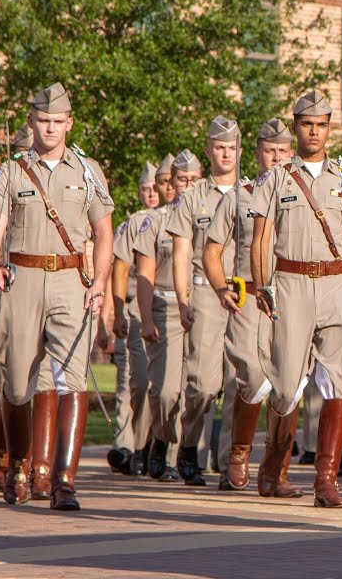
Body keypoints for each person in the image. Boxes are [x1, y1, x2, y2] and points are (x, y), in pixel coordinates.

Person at [0, 82, 115, 510]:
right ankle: (19, 465)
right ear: (31, 122)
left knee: (72, 378)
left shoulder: (88, 171)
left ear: (69, 123)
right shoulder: (11, 171)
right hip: (22, 279)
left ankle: (64, 483)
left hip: (70, 280)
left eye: (58, 121)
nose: (51, 128)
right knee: (17, 383)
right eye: (43, 121)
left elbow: (104, 233)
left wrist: (100, 283)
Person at [250, 90, 342, 508]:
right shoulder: (277, 178)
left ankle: (327, 480)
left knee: (338, 379)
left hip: (338, 285)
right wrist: (262, 284)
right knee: (286, 384)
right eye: (307, 124)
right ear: (296, 126)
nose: (315, 132)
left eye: (322, 124)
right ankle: (272, 466)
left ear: (329, 128)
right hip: (290, 282)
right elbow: (261, 237)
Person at [203, 118, 303, 496]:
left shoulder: (301, 193)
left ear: (290, 153)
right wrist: (219, 287)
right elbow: (212, 249)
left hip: (292, 298)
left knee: (289, 385)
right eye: (268, 151)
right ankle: (240, 450)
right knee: (254, 375)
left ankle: (276, 471)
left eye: (282, 151)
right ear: (257, 154)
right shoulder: (239, 196)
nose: (275, 158)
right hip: (248, 297)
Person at [166, 118, 241, 485]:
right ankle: (189, 446)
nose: (226, 154)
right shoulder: (193, 197)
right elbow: (181, 253)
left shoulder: (253, 194)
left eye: (232, 148)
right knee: (203, 385)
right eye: (219, 147)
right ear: (209, 150)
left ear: (239, 151)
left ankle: (229, 465)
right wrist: (183, 300)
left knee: (239, 382)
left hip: (243, 294)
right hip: (206, 296)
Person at [135, 149, 202, 484]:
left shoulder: (212, 215)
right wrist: (146, 319)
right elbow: (144, 274)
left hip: (203, 306)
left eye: (192, 179)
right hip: (166, 308)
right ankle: (160, 437)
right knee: (165, 392)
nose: (186, 186)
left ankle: (181, 455)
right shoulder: (156, 222)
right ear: (170, 183)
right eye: (181, 180)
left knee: (198, 388)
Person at [106, 161, 160, 476]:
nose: (150, 193)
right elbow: (119, 270)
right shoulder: (130, 225)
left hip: (166, 305)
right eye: (145, 189)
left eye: (155, 188)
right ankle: (126, 445)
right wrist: (112, 314)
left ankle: (154, 445)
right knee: (133, 381)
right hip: (134, 309)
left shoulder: (173, 219)